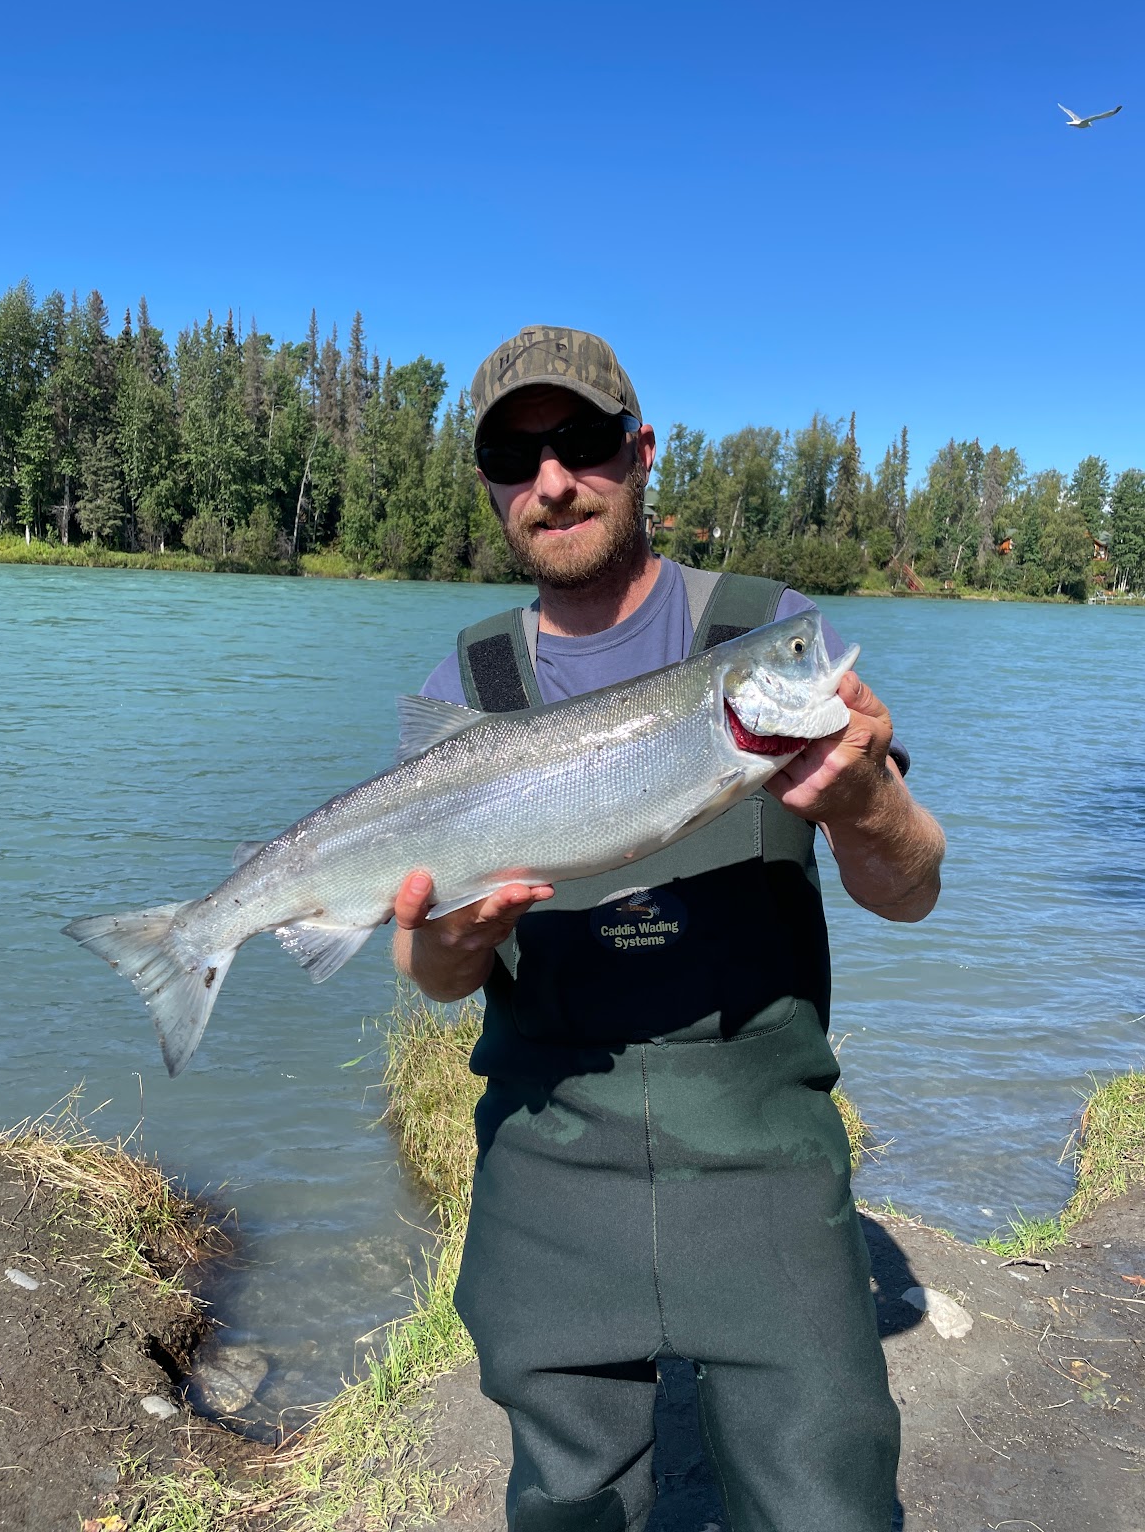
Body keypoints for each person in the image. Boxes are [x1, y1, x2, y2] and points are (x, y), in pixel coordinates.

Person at [392, 325, 945, 1532]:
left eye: (583, 443)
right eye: (516, 455)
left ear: (641, 454)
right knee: (567, 1511)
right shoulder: (466, 692)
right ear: (491, 485)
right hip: (548, 1157)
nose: (553, 481)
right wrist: (444, 945)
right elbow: (431, 972)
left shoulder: (768, 633)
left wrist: (868, 801)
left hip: (764, 1154)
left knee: (829, 1503)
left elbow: (911, 888)